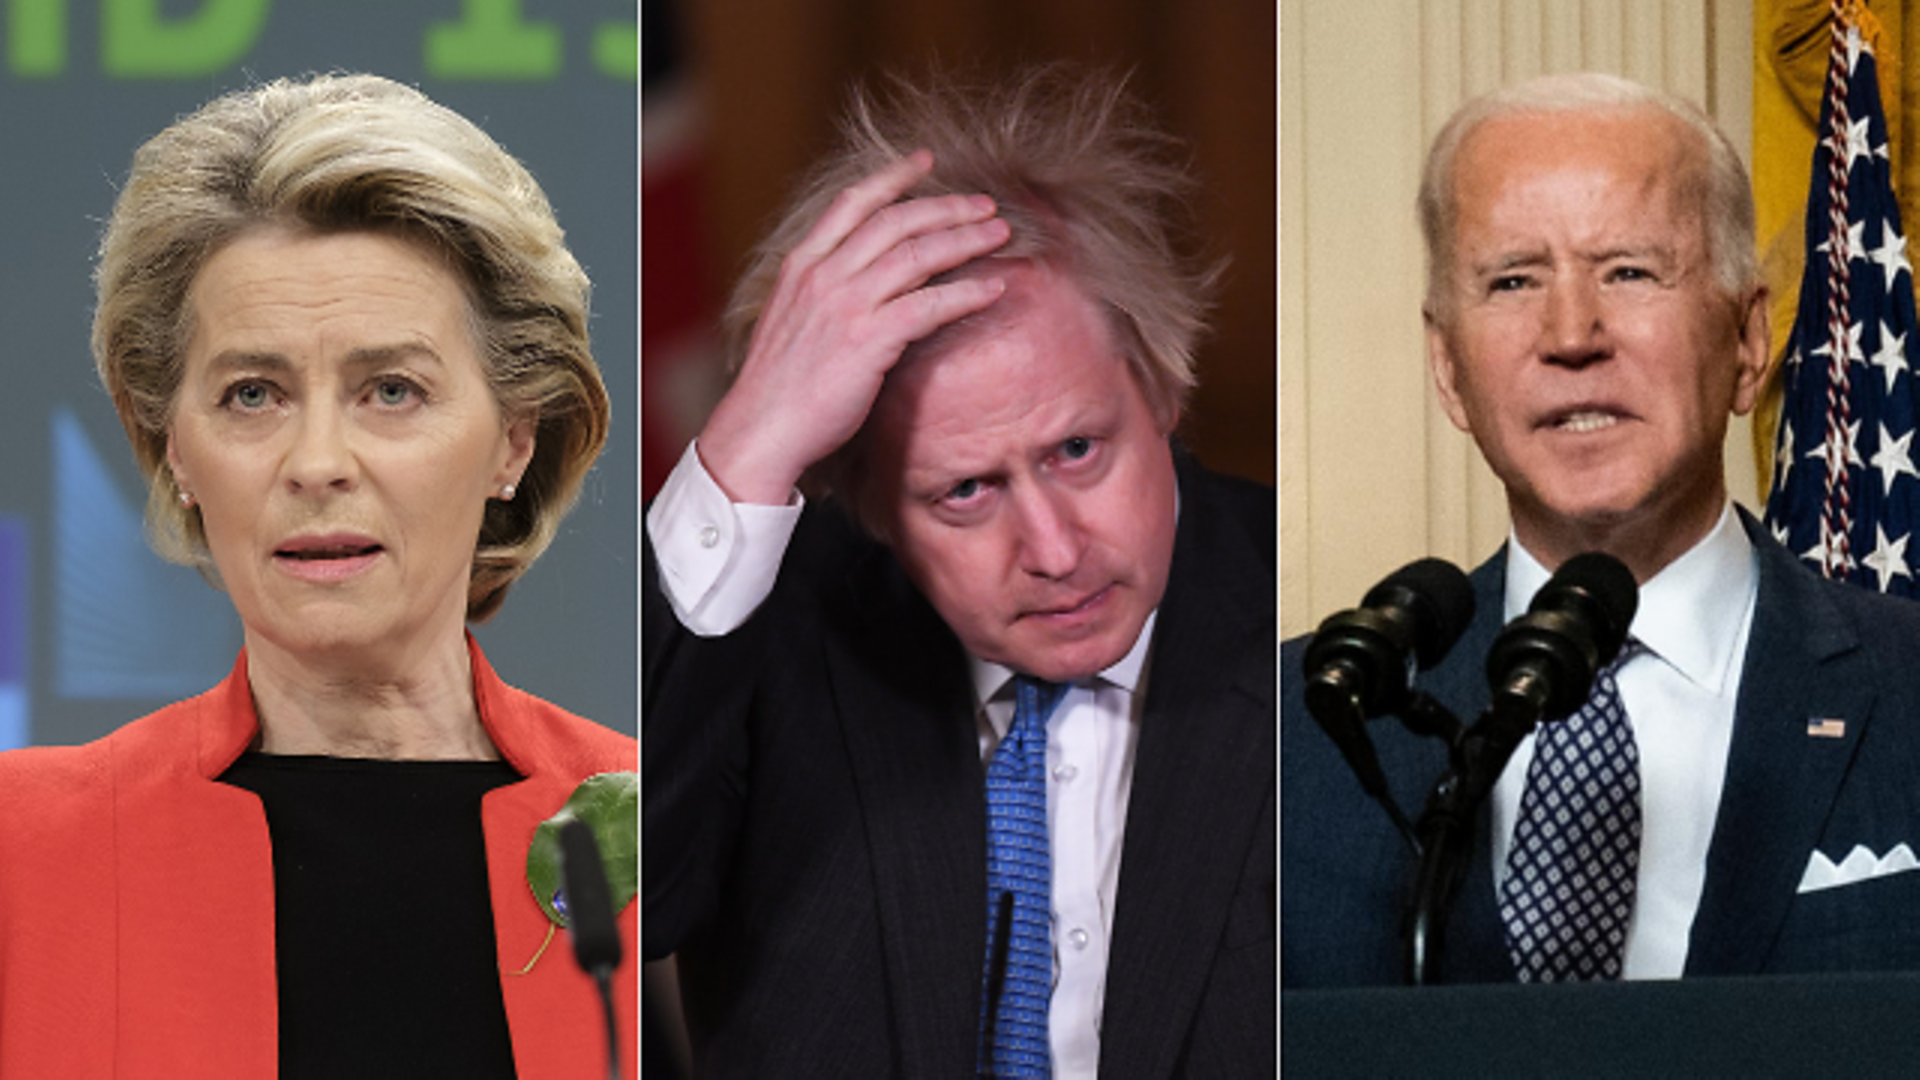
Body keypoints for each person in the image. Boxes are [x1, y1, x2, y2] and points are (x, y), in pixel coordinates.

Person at [0, 74, 637, 1076]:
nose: (316, 462)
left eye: (392, 390)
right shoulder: (22, 852)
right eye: (253, 394)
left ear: (515, 440)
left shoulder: (649, 820)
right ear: (174, 448)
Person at [644, 66, 1275, 1076]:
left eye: (1078, 452)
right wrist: (748, 447)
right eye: (966, 492)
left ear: (1161, 384)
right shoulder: (764, 633)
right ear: (873, 506)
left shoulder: (1319, 622)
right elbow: (576, 908)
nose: (1057, 551)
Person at [1282, 72, 1920, 987]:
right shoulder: (1296, 734)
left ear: (1748, 339)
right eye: (1513, 280)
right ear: (1448, 367)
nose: (1571, 333)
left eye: (1628, 270)